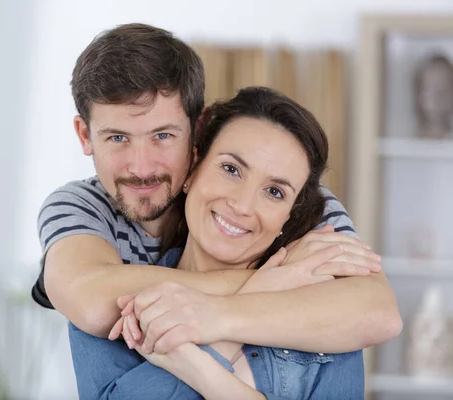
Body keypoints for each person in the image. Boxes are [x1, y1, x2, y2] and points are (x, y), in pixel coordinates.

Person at [31, 22, 400, 360]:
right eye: (117, 138)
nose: (142, 168)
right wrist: (279, 280)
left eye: (163, 136)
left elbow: (378, 312)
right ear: (85, 135)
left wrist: (218, 315)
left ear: (198, 126)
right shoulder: (80, 205)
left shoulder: (290, 201)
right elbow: (93, 304)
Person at [69, 87, 365, 399]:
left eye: (275, 191)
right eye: (231, 169)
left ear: (287, 219)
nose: (242, 205)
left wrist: (192, 360)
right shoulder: (118, 301)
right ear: (192, 169)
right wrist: (260, 292)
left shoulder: (329, 318)